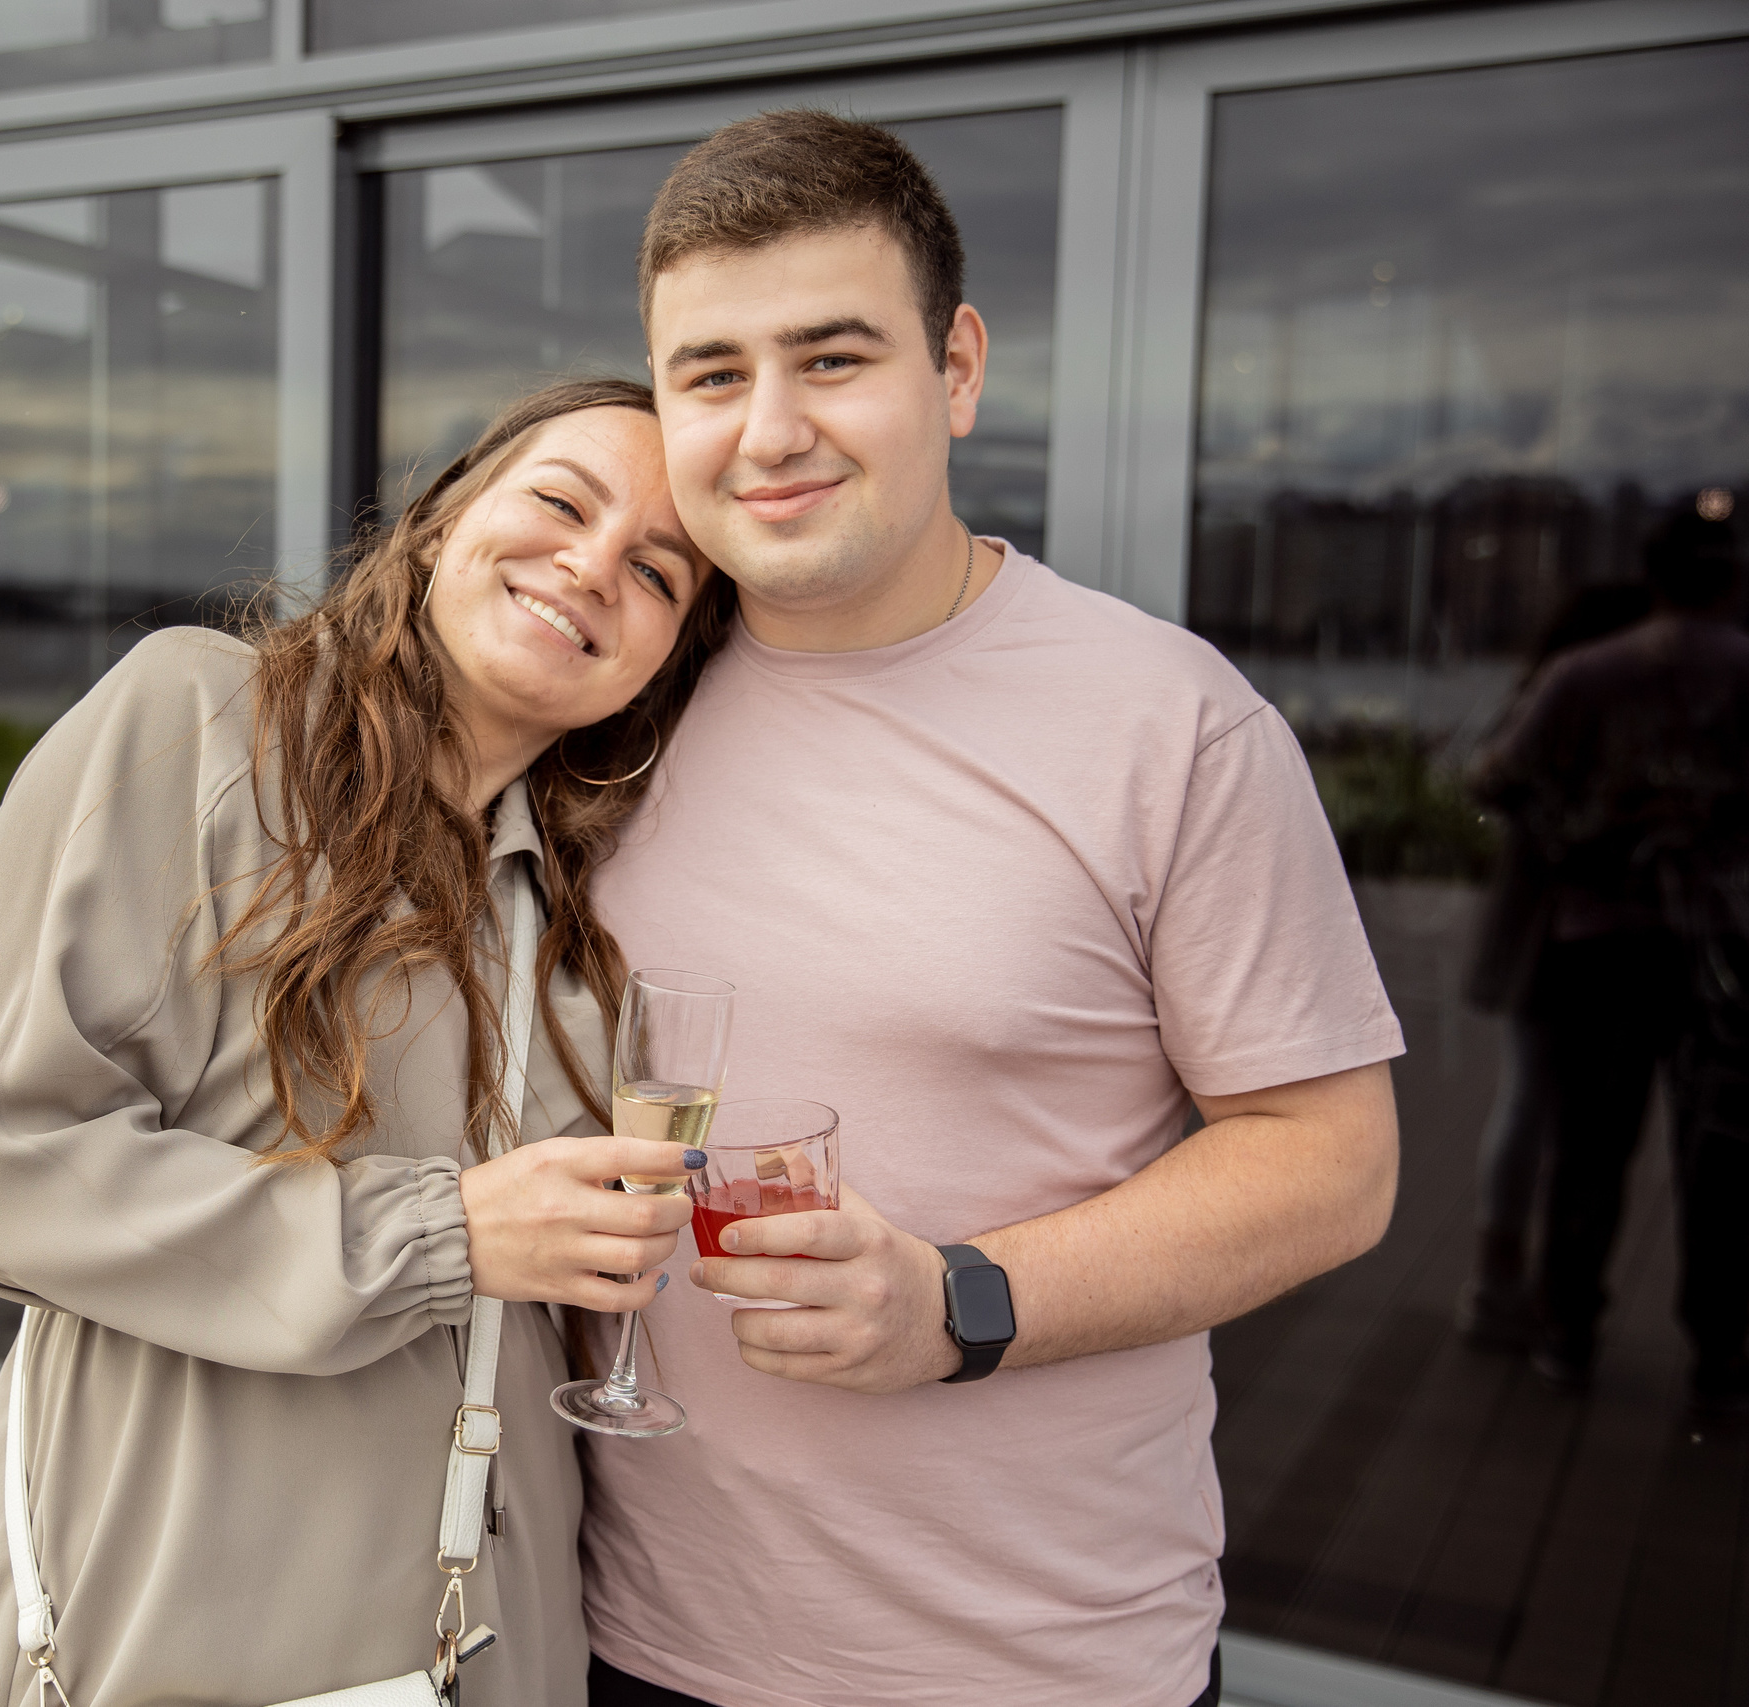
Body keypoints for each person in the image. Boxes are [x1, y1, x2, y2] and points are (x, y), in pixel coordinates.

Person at [578, 112, 1406, 1707]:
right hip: (628, 1635)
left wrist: (963, 1299)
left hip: (1033, 1659)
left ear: (954, 368)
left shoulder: (1168, 721)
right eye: (712, 373)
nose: (768, 431)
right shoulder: (614, 701)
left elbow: (1334, 1161)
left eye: (833, 358)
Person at [0, 378, 728, 1706]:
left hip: (490, 1645)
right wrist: (448, 1231)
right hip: (177, 1629)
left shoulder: (572, 918)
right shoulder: (195, 722)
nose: (591, 565)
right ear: (438, 523)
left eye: (655, 570)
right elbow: (0, 1177)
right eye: (560, 500)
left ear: (662, 656)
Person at [1472, 500, 1749, 1409]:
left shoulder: (1591, 673)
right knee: (1718, 1159)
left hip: (1601, 944)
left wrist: (1579, 830)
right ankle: (1718, 1356)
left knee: (1591, 1147)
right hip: (1721, 953)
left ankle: (1568, 1330)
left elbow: (1496, 777)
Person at [1454, 582, 1652, 1349]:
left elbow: (1492, 780)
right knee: (1556, 1110)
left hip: (1546, 930)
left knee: (1534, 1102)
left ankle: (1504, 1282)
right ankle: (1516, 1285)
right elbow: (1496, 781)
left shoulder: (1549, 690)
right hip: (1570, 934)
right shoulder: (1584, 694)